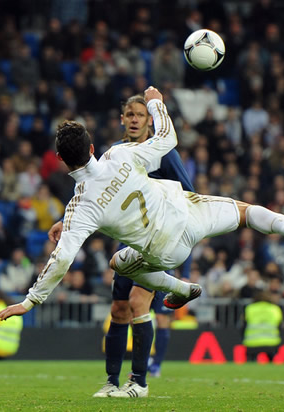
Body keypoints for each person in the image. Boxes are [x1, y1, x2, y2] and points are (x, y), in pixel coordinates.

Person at [0, 86, 284, 394]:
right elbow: (168, 140)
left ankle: (176, 292)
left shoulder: (80, 207)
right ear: (91, 147)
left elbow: (62, 259)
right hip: (189, 213)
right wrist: (157, 103)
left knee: (118, 263)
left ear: (59, 160)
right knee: (248, 212)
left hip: (164, 251)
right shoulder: (119, 154)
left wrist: (29, 302)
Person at [90, 95, 195, 397]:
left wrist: (181, 255)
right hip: (129, 244)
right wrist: (64, 219)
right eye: (129, 114)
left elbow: (189, 196)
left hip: (159, 243)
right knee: (119, 309)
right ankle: (111, 382)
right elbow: (94, 195)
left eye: (140, 114)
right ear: (121, 119)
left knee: (139, 303)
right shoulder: (116, 154)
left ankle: (139, 382)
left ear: (150, 120)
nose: (135, 119)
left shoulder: (162, 153)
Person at [242, 291, 282, 361]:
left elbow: (244, 325)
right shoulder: (274, 309)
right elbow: (279, 325)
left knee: (251, 363)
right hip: (271, 342)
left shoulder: (250, 308)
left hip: (252, 342)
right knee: (272, 363)